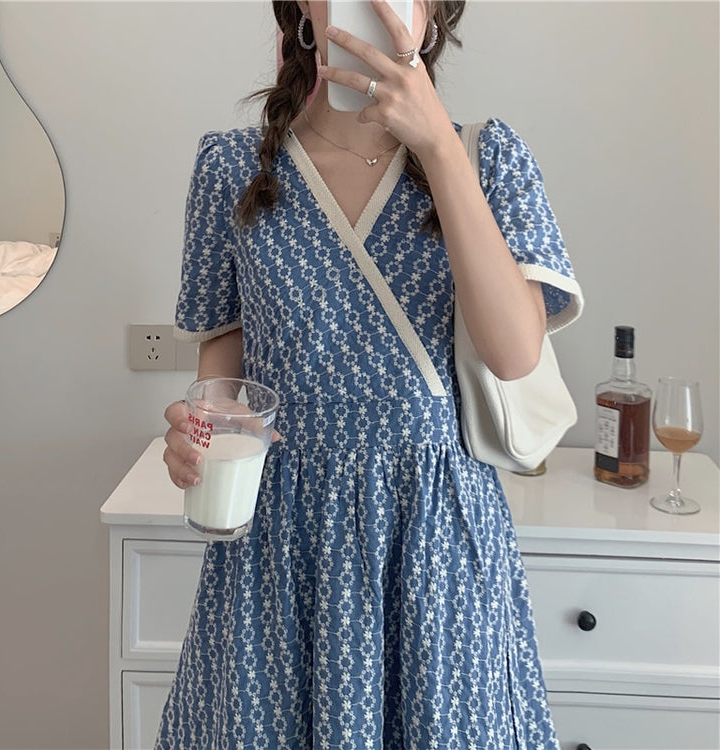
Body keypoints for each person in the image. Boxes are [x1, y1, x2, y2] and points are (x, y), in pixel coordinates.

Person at [157, 1, 583, 748]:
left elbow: (515, 353)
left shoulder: (488, 156)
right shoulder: (231, 167)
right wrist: (199, 433)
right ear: (303, 9)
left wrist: (438, 149)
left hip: (435, 543)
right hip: (278, 543)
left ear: (432, 14)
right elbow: (225, 370)